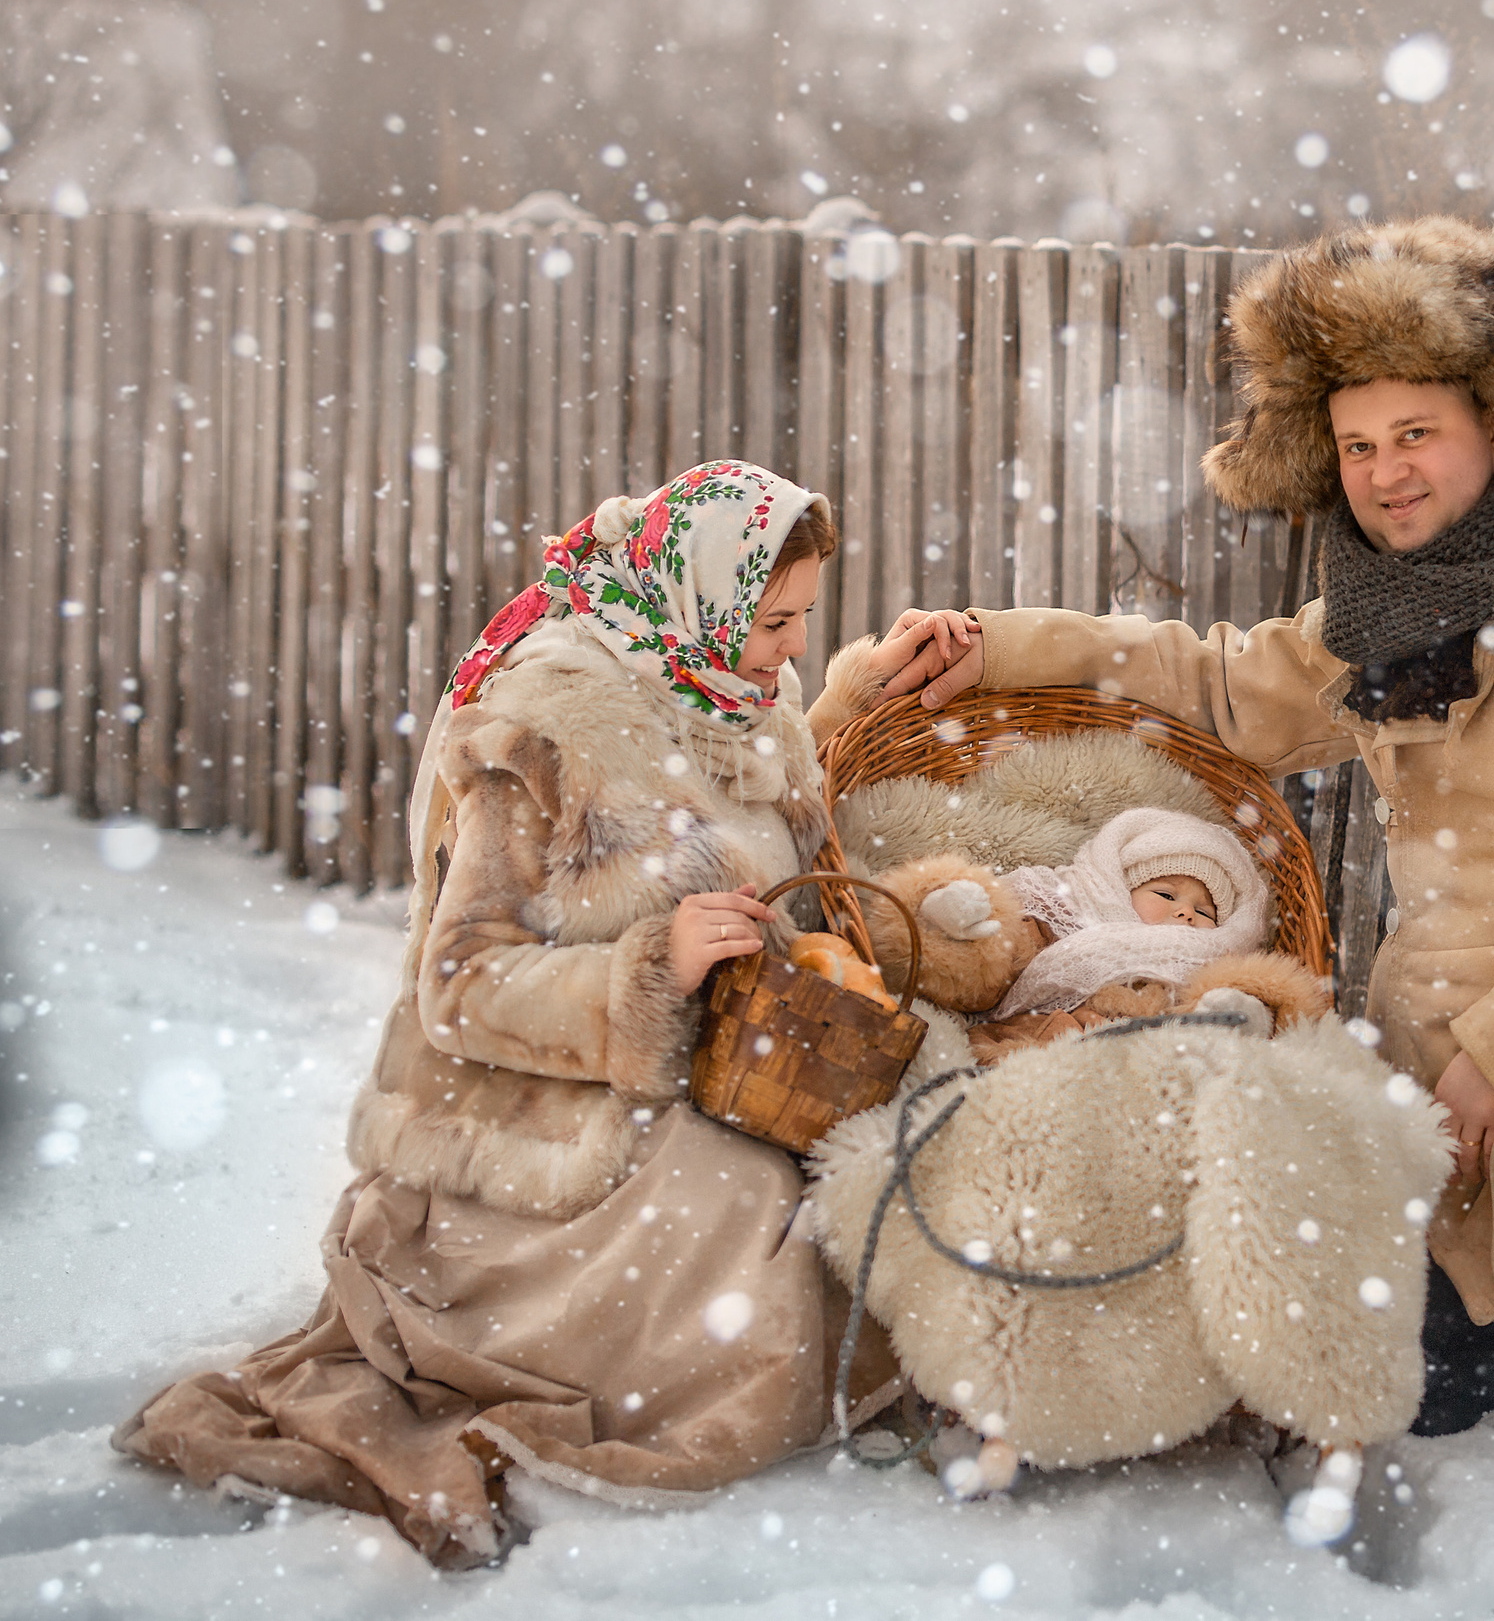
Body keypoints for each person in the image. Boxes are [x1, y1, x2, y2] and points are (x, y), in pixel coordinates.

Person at [851, 218, 1494, 1497]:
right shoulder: (1395, 619)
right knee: (1434, 1400)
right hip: (1450, 1069)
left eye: (1416, 434)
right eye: (1359, 446)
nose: (1386, 474)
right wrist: (1000, 646)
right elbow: (1220, 685)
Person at [115, 460, 924, 1566]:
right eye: (775, 620)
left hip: (724, 1068)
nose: (789, 647)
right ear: (703, 597)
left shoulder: (739, 689)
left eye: (802, 622)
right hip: (537, 1119)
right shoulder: (547, 721)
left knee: (879, 1165)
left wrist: (864, 689)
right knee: (756, 1212)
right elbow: (456, 989)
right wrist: (647, 968)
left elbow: (746, 800)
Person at [859, 805, 1331, 1061]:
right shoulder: (1063, 915)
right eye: (1166, 895)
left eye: (1205, 910)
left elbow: (1268, 983)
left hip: (1143, 1073)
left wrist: (1243, 1009)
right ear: (1120, 888)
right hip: (1029, 1053)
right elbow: (994, 967)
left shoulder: (1209, 965)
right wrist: (962, 935)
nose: (1185, 914)